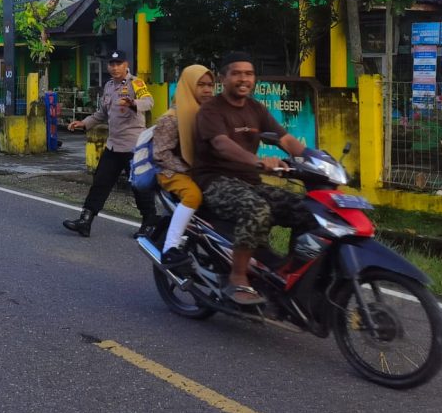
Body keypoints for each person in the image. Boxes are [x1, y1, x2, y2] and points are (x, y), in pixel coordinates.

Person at [191, 51, 311, 306]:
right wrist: (258, 161)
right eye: (237, 73)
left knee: (305, 208)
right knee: (257, 210)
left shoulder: (256, 108)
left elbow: (284, 138)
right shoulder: (211, 110)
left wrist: (316, 158)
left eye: (249, 73)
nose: (243, 79)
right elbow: (222, 144)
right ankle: (237, 276)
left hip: (250, 181)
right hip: (215, 181)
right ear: (224, 78)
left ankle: (285, 269)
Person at [63, 50, 155, 237]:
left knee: (139, 187)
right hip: (113, 146)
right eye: (112, 64)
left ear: (126, 65)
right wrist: (84, 123)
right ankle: (85, 220)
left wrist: (133, 103)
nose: (114, 67)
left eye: (119, 63)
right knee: (100, 183)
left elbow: (149, 102)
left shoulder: (135, 83)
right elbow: (102, 114)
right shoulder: (109, 86)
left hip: (134, 146)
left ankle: (149, 223)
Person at [151, 64, 214, 267]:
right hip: (171, 171)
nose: (207, 90)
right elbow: (161, 154)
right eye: (201, 85)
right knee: (193, 195)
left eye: (210, 85)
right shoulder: (170, 118)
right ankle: (170, 248)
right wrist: (188, 169)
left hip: (197, 170)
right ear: (188, 86)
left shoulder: (207, 113)